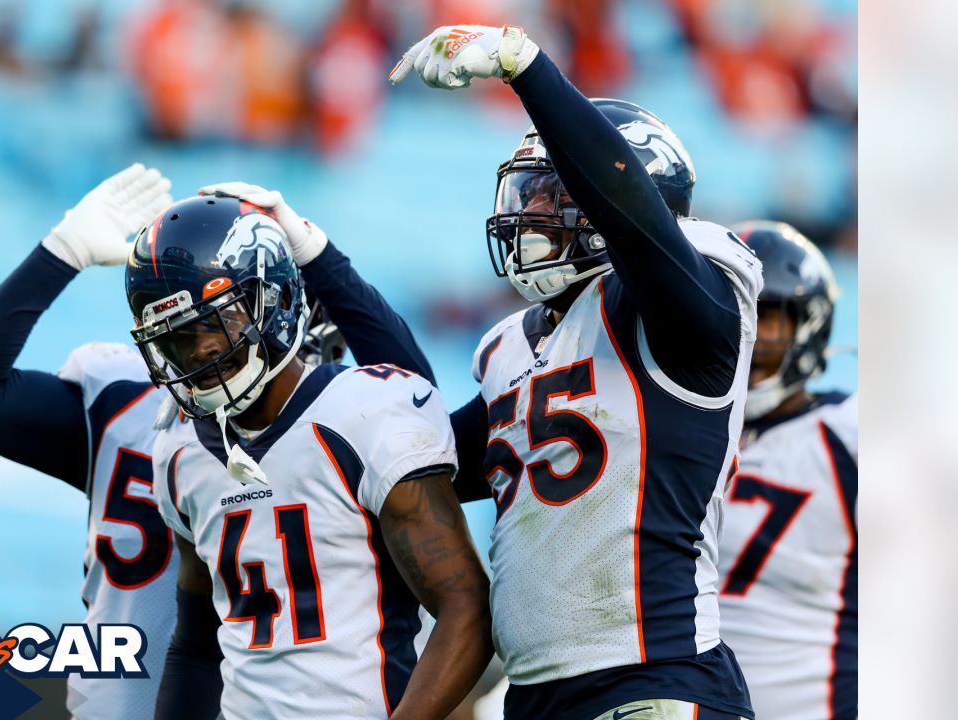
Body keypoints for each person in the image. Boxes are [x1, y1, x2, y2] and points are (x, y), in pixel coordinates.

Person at [0, 166, 440, 719]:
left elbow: (415, 407)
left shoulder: (337, 421)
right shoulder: (129, 403)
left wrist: (318, 254)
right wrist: (62, 250)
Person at [390, 24, 763, 720]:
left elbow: (635, 223)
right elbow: (413, 461)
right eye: (527, 193)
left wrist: (528, 70)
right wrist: (327, 276)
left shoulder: (691, 305)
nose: (530, 211)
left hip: (657, 677)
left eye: (552, 193)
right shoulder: (514, 345)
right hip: (535, 696)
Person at [130, 192, 494, 720]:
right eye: (179, 337)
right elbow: (197, 645)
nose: (202, 349)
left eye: (218, 321)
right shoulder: (179, 451)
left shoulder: (363, 411)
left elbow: (466, 605)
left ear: (272, 300)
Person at [716, 221, 856, 719]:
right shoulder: (668, 432)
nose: (748, 332)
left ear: (809, 324)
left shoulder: (848, 431)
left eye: (767, 314)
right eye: (730, 312)